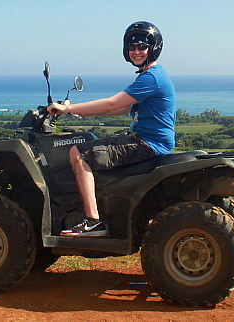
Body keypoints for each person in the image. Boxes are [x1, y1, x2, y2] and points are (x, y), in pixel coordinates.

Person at [47, 21, 176, 237]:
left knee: (78, 154)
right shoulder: (151, 75)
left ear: (153, 49)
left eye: (142, 47)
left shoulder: (152, 78)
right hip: (147, 140)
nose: (136, 51)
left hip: (148, 143)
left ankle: (93, 221)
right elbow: (121, 108)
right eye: (132, 47)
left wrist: (66, 109)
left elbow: (111, 103)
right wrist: (76, 111)